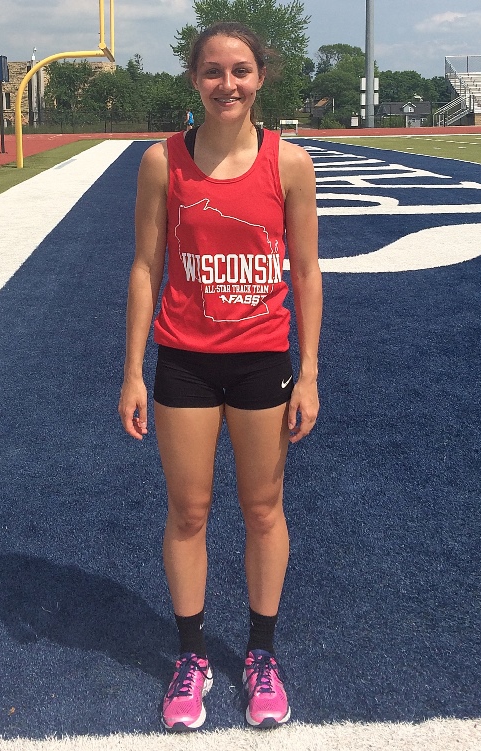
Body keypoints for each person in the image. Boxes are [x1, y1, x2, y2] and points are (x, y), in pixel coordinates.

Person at [118, 21, 322, 732]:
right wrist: (133, 371)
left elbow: (307, 271)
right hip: (185, 359)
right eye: (212, 71)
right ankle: (191, 654)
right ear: (194, 80)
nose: (226, 84)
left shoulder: (290, 163)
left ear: (260, 76)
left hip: (265, 358)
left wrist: (311, 372)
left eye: (240, 70)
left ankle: (262, 654)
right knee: (190, 512)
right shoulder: (161, 161)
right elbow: (145, 267)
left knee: (264, 509)